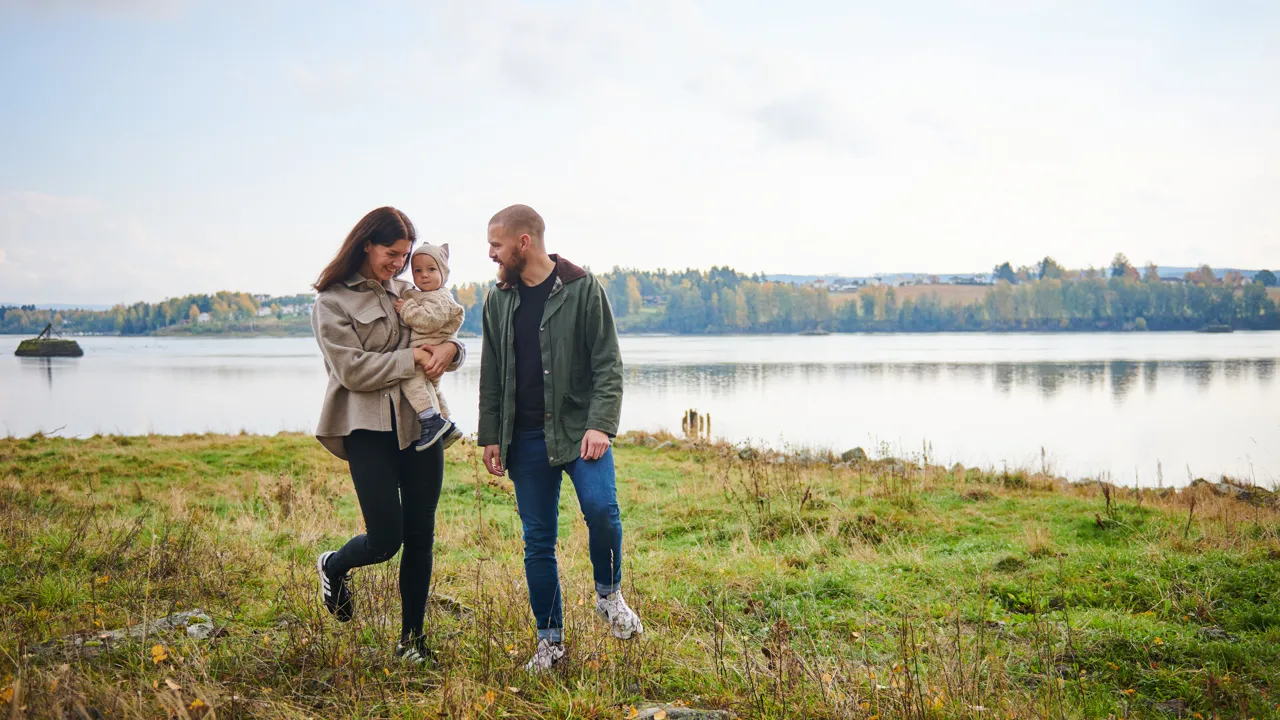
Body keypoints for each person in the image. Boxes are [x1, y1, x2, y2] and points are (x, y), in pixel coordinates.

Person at [477, 204, 643, 673]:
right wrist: (491, 435)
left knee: (601, 510)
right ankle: (550, 644)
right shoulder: (497, 300)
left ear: (523, 242)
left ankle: (609, 595)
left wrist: (601, 424)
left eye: (496, 244)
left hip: (579, 432)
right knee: (538, 542)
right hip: (523, 439)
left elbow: (608, 363)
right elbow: (491, 372)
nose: (491, 253)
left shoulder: (583, 289)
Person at [310, 206, 464, 665]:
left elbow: (445, 332)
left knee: (421, 536)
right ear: (366, 245)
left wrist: (452, 351)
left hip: (421, 426)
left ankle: (411, 642)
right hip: (367, 429)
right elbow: (351, 370)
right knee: (385, 539)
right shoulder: (331, 303)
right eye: (391, 254)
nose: (399, 264)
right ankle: (334, 566)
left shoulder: (411, 292)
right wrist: (414, 360)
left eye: (405, 256)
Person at [394, 242, 465, 451]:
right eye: (417, 270)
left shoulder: (441, 297)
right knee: (431, 389)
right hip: (426, 352)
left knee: (410, 382)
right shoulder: (421, 294)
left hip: (428, 352)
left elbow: (430, 321)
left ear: (443, 273)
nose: (424, 275)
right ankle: (447, 423)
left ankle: (430, 419)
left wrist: (406, 309)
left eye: (431, 269)